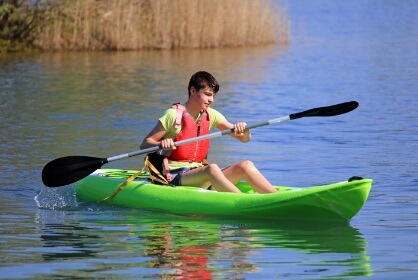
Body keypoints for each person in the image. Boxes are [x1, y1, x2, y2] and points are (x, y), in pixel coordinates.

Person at [140, 71, 277, 194]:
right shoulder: (173, 115)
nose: (211, 100)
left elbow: (244, 139)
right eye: (207, 94)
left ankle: (276, 198)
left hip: (199, 173)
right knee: (212, 168)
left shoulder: (211, 115)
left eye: (213, 95)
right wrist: (161, 143)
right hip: (175, 175)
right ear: (193, 91)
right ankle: (243, 202)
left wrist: (245, 131)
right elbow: (145, 144)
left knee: (246, 165)